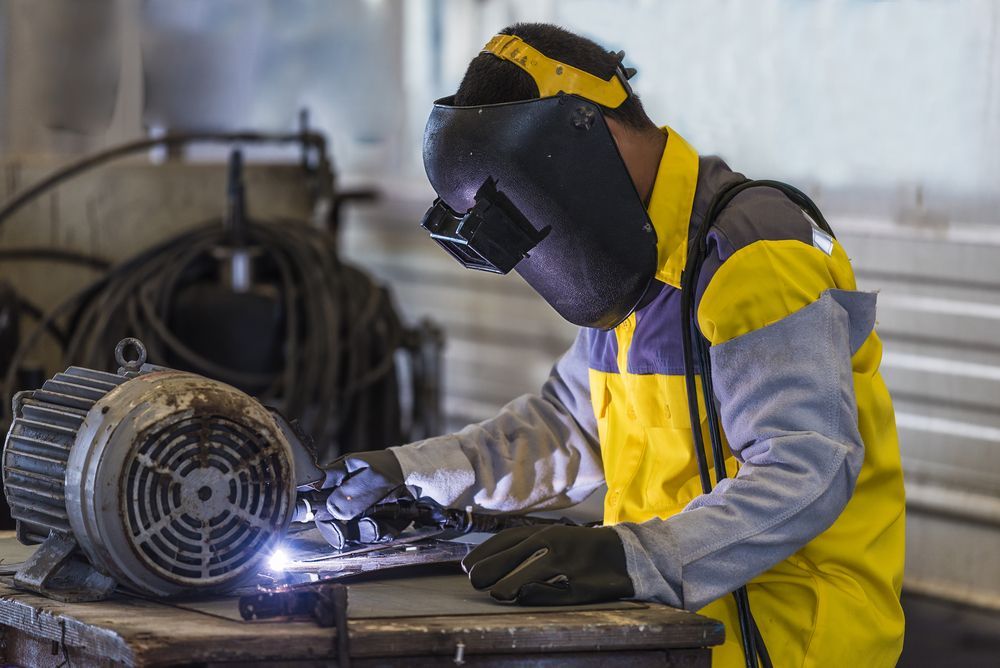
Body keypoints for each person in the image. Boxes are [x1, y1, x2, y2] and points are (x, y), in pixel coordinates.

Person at [320, 23, 905, 667]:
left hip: (784, 638)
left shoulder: (748, 255)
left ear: (585, 135)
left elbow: (808, 470)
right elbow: (569, 426)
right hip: (670, 627)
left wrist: (628, 557)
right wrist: (414, 473)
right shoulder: (635, 269)